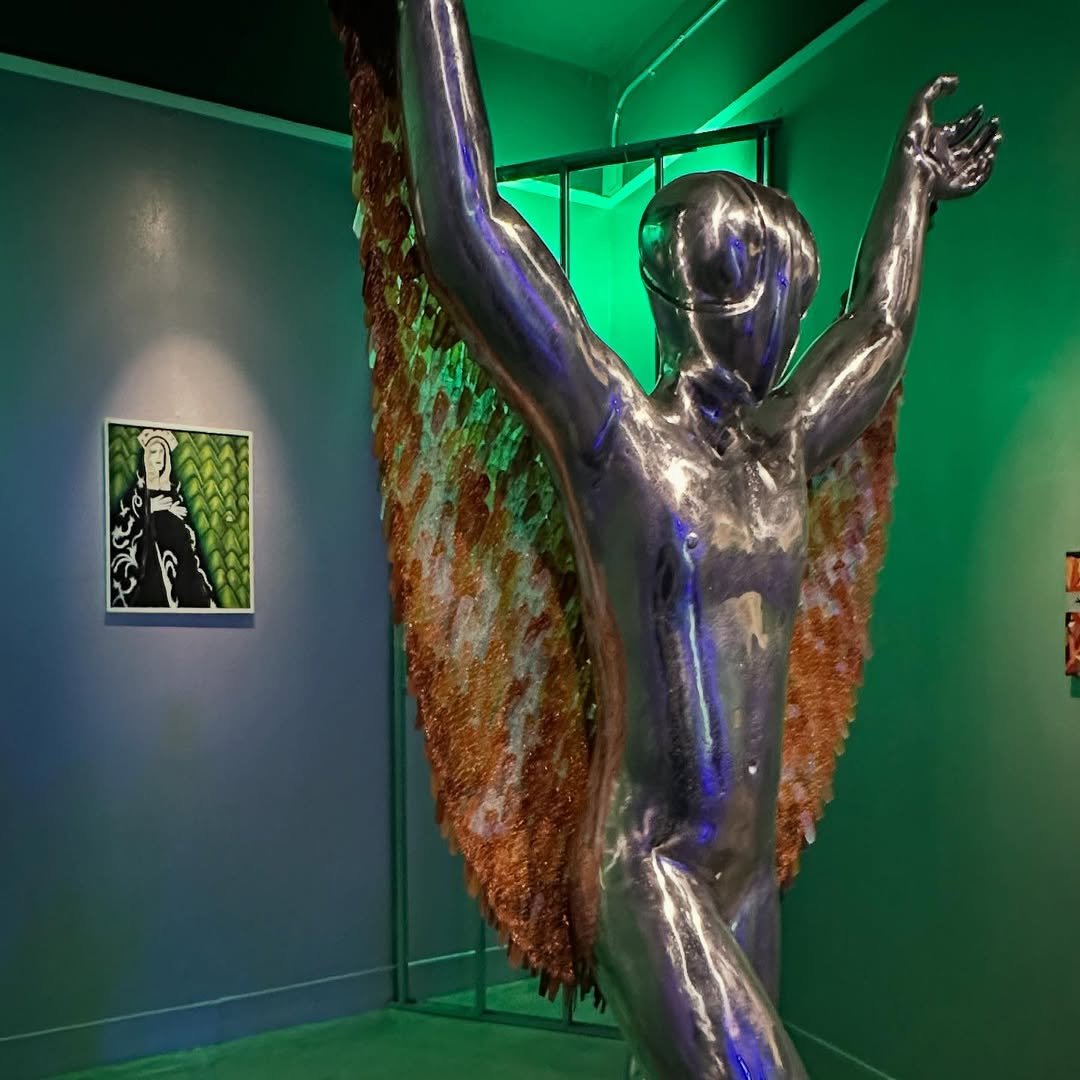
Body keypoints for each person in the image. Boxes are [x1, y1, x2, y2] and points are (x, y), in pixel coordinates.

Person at [390, 2, 1000, 1075]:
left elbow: (878, 326)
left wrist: (911, 185)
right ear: (734, 299)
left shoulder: (784, 447)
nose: (795, 327)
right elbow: (469, 227)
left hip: (748, 878)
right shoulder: (618, 438)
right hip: (650, 870)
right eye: (785, 299)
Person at [110, 428, 216, 609]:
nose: (159, 457)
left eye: (162, 452)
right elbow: (124, 520)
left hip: (178, 558)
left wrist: (172, 512)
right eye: (153, 452)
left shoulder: (172, 490)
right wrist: (150, 507)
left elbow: (184, 525)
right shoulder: (139, 491)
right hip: (152, 559)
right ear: (146, 457)